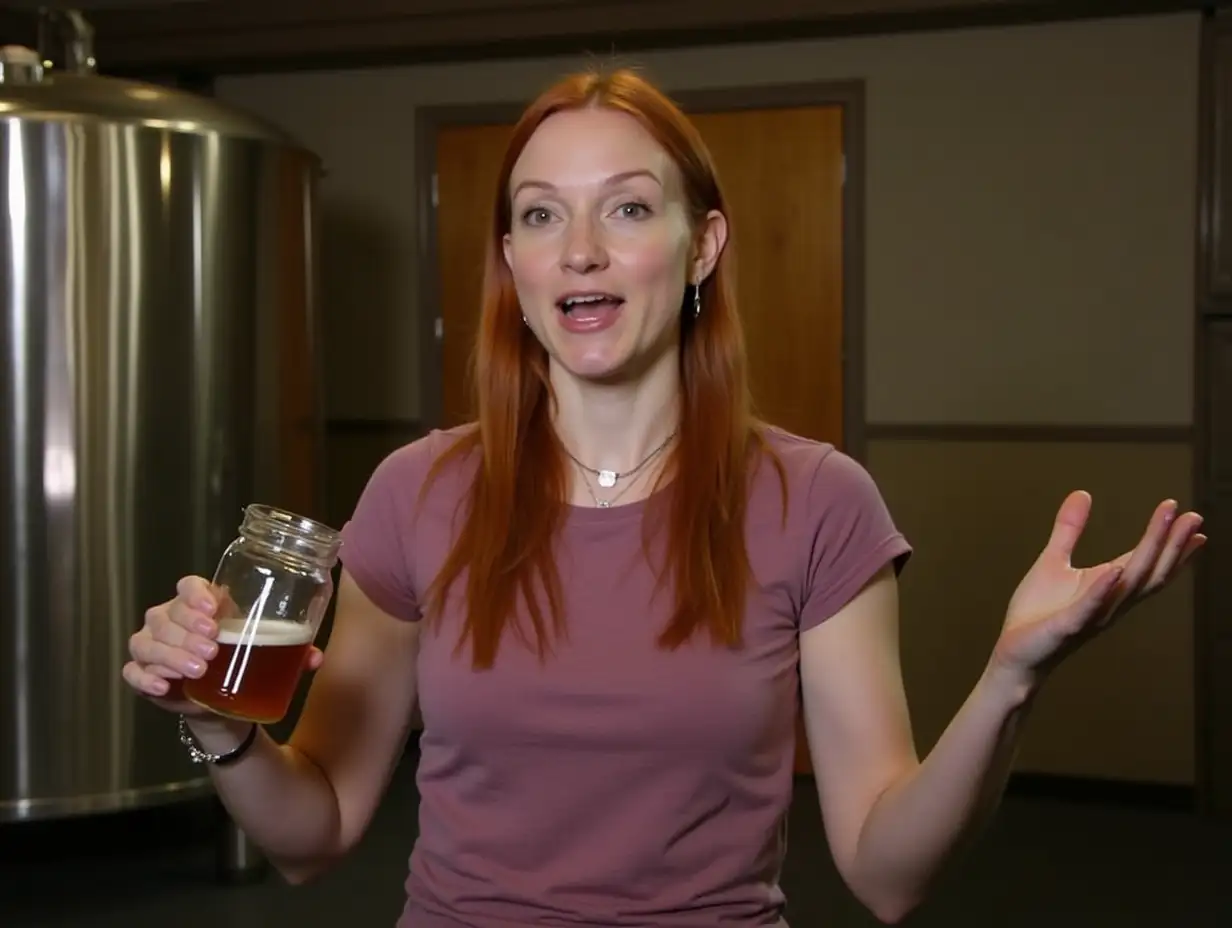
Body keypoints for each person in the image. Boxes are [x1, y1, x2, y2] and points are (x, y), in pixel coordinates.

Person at [122, 68, 1205, 928]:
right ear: (511, 259)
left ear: (703, 245)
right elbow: (314, 836)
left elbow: (886, 874)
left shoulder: (817, 500)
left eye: (627, 208)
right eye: (540, 216)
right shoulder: (417, 492)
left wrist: (1008, 680)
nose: (579, 249)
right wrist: (220, 728)